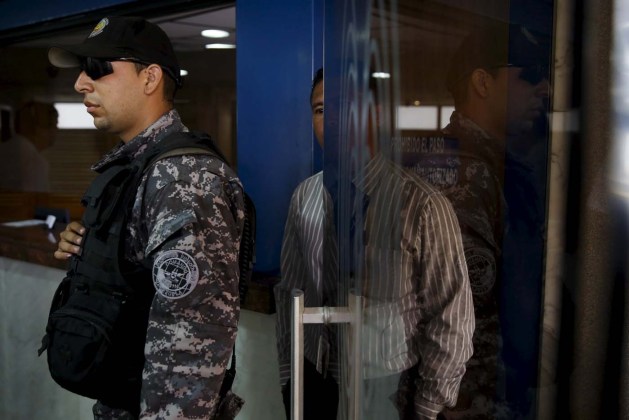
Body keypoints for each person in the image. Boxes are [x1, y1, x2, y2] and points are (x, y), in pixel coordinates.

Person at [49, 16, 245, 419]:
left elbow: (191, 341)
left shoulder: (185, 178)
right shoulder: (139, 167)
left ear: (150, 78)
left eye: (99, 69)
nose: (81, 83)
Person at [274, 68, 475, 419]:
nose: (332, 121)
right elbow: (291, 290)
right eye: (321, 110)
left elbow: (452, 312)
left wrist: (427, 406)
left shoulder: (421, 203)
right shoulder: (305, 196)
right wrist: (290, 377)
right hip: (316, 378)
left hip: (389, 382)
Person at [413, 21, 551, 418]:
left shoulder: (498, 166)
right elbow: (465, 315)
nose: (545, 89)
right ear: (483, 82)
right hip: (474, 400)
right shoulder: (463, 172)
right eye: (530, 76)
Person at [0, 100, 57, 192]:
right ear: (38, 129)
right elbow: (34, 203)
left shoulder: (4, 150)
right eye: (54, 124)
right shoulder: (34, 161)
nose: (56, 130)